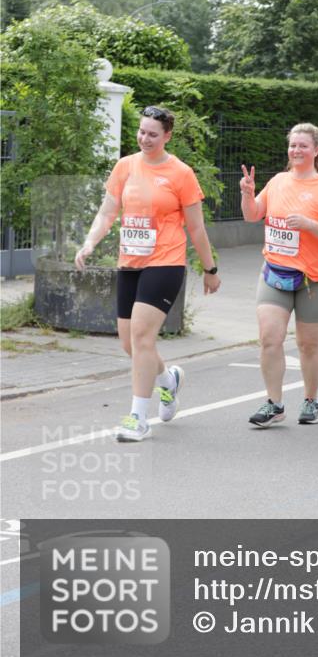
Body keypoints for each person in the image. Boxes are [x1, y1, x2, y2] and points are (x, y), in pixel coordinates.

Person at [75, 105, 221, 442]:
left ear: (167, 136)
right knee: (130, 343)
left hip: (165, 262)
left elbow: (196, 228)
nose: (145, 138)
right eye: (141, 132)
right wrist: (89, 242)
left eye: (153, 134)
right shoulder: (125, 166)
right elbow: (107, 212)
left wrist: (209, 268)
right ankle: (169, 380)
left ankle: (138, 418)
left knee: (142, 337)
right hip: (130, 262)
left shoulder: (181, 173)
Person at [240, 123, 318, 427]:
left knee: (308, 345)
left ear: (316, 150)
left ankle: (312, 401)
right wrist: (248, 194)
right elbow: (252, 214)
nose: (296, 150)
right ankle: (274, 404)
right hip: (275, 273)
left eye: (303, 146)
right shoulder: (277, 181)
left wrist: (309, 225)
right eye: (292, 145)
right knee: (269, 339)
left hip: (315, 280)